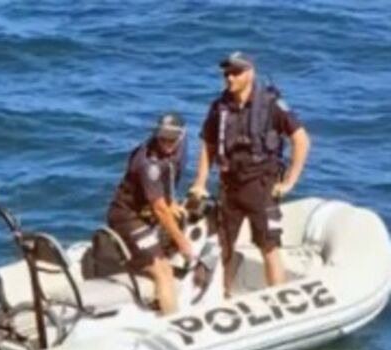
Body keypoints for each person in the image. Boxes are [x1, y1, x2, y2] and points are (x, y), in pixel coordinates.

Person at [188, 51, 310, 297]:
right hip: (229, 185)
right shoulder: (219, 107)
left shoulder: (271, 104)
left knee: (268, 245)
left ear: (250, 73)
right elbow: (207, 144)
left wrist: (289, 181)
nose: (229, 78)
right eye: (226, 73)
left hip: (261, 184)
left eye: (235, 73)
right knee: (224, 245)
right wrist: (200, 181)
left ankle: (278, 297)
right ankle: (223, 294)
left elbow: (301, 140)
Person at [106, 112, 195, 315]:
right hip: (127, 216)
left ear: (181, 136)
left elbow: (172, 172)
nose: (167, 144)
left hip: (149, 210)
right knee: (163, 269)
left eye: (172, 140)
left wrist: (172, 201)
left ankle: (149, 278)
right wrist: (182, 243)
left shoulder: (182, 143)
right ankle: (172, 321)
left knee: (177, 225)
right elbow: (159, 209)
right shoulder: (148, 164)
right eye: (162, 139)